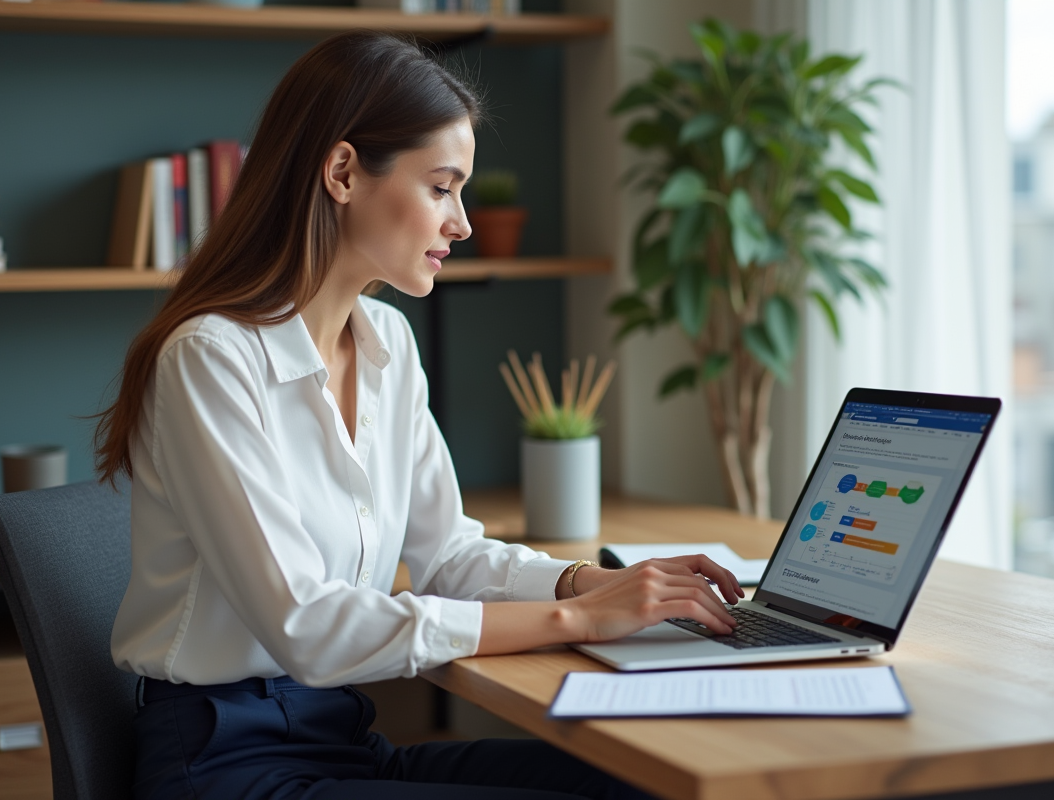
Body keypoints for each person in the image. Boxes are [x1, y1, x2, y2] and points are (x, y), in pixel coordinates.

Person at [95, 31, 743, 800]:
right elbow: (309, 627)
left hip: (343, 740)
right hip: (226, 765)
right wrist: (579, 622)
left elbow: (450, 557)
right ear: (342, 172)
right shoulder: (211, 358)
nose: (461, 223)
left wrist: (592, 585)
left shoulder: (389, 344)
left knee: (637, 784)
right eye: (441, 188)